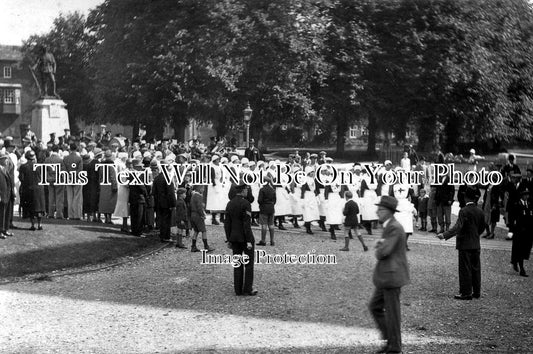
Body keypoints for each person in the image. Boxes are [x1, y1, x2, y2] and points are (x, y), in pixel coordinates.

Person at [368, 196, 410, 354]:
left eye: (380, 209)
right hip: (387, 277)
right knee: (375, 307)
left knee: (392, 314)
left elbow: (384, 252)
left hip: (392, 277)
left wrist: (379, 248)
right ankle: (390, 340)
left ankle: (395, 347)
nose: (377, 212)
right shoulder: (390, 225)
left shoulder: (394, 227)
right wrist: (382, 244)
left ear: (389, 211)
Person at [437, 188, 486, 300]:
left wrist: (444, 235)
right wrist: (475, 235)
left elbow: (458, 227)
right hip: (475, 243)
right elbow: (482, 227)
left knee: (465, 269)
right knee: (476, 269)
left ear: (465, 197)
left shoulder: (464, 211)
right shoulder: (480, 211)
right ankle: (476, 291)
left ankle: (466, 292)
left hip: (465, 244)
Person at [224, 183, 258, 296]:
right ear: (243, 191)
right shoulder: (246, 203)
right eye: (246, 190)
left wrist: (228, 239)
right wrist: (249, 240)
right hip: (245, 238)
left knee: (237, 264)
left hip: (234, 238)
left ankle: (237, 289)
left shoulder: (229, 204)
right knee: (248, 265)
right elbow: (246, 224)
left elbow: (227, 224)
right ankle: (248, 288)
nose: (247, 192)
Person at [510, 189, 533, 277]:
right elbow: (513, 218)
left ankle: (515, 261)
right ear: (522, 196)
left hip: (528, 232)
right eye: (525, 195)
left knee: (526, 249)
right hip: (519, 231)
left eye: (528, 195)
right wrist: (511, 230)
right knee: (519, 249)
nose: (527, 196)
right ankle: (522, 269)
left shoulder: (529, 205)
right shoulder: (517, 205)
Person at [152, 160, 176, 243]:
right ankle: (166, 236)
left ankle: (162, 235)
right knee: (166, 220)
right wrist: (173, 203)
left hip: (158, 202)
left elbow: (153, 192)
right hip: (166, 202)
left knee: (161, 219)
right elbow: (171, 192)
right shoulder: (168, 177)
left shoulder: (157, 178)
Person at [190, 185, 214, 252]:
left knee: (196, 231)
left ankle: (193, 246)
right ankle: (206, 246)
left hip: (193, 214)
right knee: (204, 231)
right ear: (199, 188)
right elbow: (199, 207)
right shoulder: (199, 196)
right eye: (203, 188)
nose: (203, 190)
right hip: (198, 215)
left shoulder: (193, 195)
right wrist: (202, 215)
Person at [257, 175, 276, 246]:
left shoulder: (262, 190)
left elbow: (260, 200)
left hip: (264, 208)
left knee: (264, 225)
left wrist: (261, 204)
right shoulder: (272, 190)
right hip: (271, 208)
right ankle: (272, 241)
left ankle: (263, 240)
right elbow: (275, 200)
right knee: (271, 224)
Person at [0, 152, 14, 238]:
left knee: (7, 213)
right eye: (5, 158)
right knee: (1, 213)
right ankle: (1, 231)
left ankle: (5, 229)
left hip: (7, 194)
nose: (6, 160)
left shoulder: (5, 169)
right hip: (2, 194)